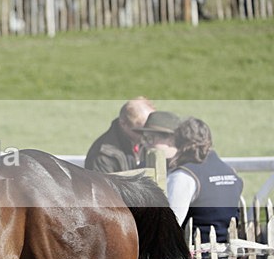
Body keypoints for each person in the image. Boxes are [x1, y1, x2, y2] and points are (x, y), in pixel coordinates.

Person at [167, 118, 243, 248]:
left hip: (196, 258)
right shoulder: (231, 172)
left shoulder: (184, 175)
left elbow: (170, 224)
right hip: (229, 255)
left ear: (178, 142)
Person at [84, 97, 155, 173]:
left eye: (151, 131)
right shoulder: (103, 156)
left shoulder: (147, 141)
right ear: (123, 123)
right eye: (140, 132)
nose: (147, 136)